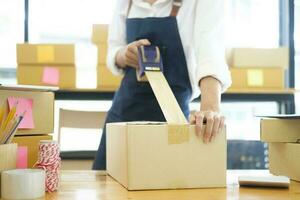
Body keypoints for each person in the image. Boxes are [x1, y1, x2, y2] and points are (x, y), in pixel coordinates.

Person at [93, 0, 231, 170]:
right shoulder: (125, 3)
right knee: (107, 187)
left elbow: (210, 51)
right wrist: (123, 55)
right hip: (123, 114)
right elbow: (113, 50)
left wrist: (210, 107)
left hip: (172, 118)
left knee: (169, 184)